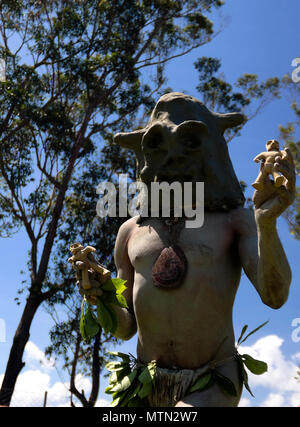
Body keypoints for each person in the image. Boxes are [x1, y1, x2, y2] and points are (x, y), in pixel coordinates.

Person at [74, 93, 295, 407]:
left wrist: (267, 224)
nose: (173, 158)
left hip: (213, 379)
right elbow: (125, 329)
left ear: (211, 151)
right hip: (145, 383)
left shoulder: (235, 221)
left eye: (189, 142)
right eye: (159, 144)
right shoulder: (131, 231)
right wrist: (99, 294)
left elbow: (275, 297)